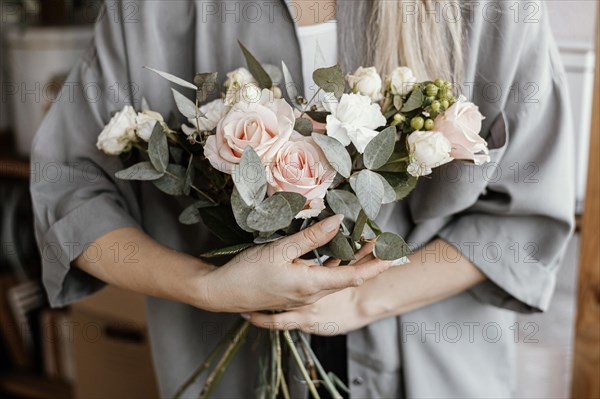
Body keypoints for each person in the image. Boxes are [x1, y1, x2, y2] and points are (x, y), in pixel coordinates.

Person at [30, 0, 575, 397]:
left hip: (436, 368)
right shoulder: (148, 11)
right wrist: (208, 287)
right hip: (226, 359)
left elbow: (524, 217)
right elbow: (69, 188)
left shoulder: (488, 8)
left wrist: (358, 300)